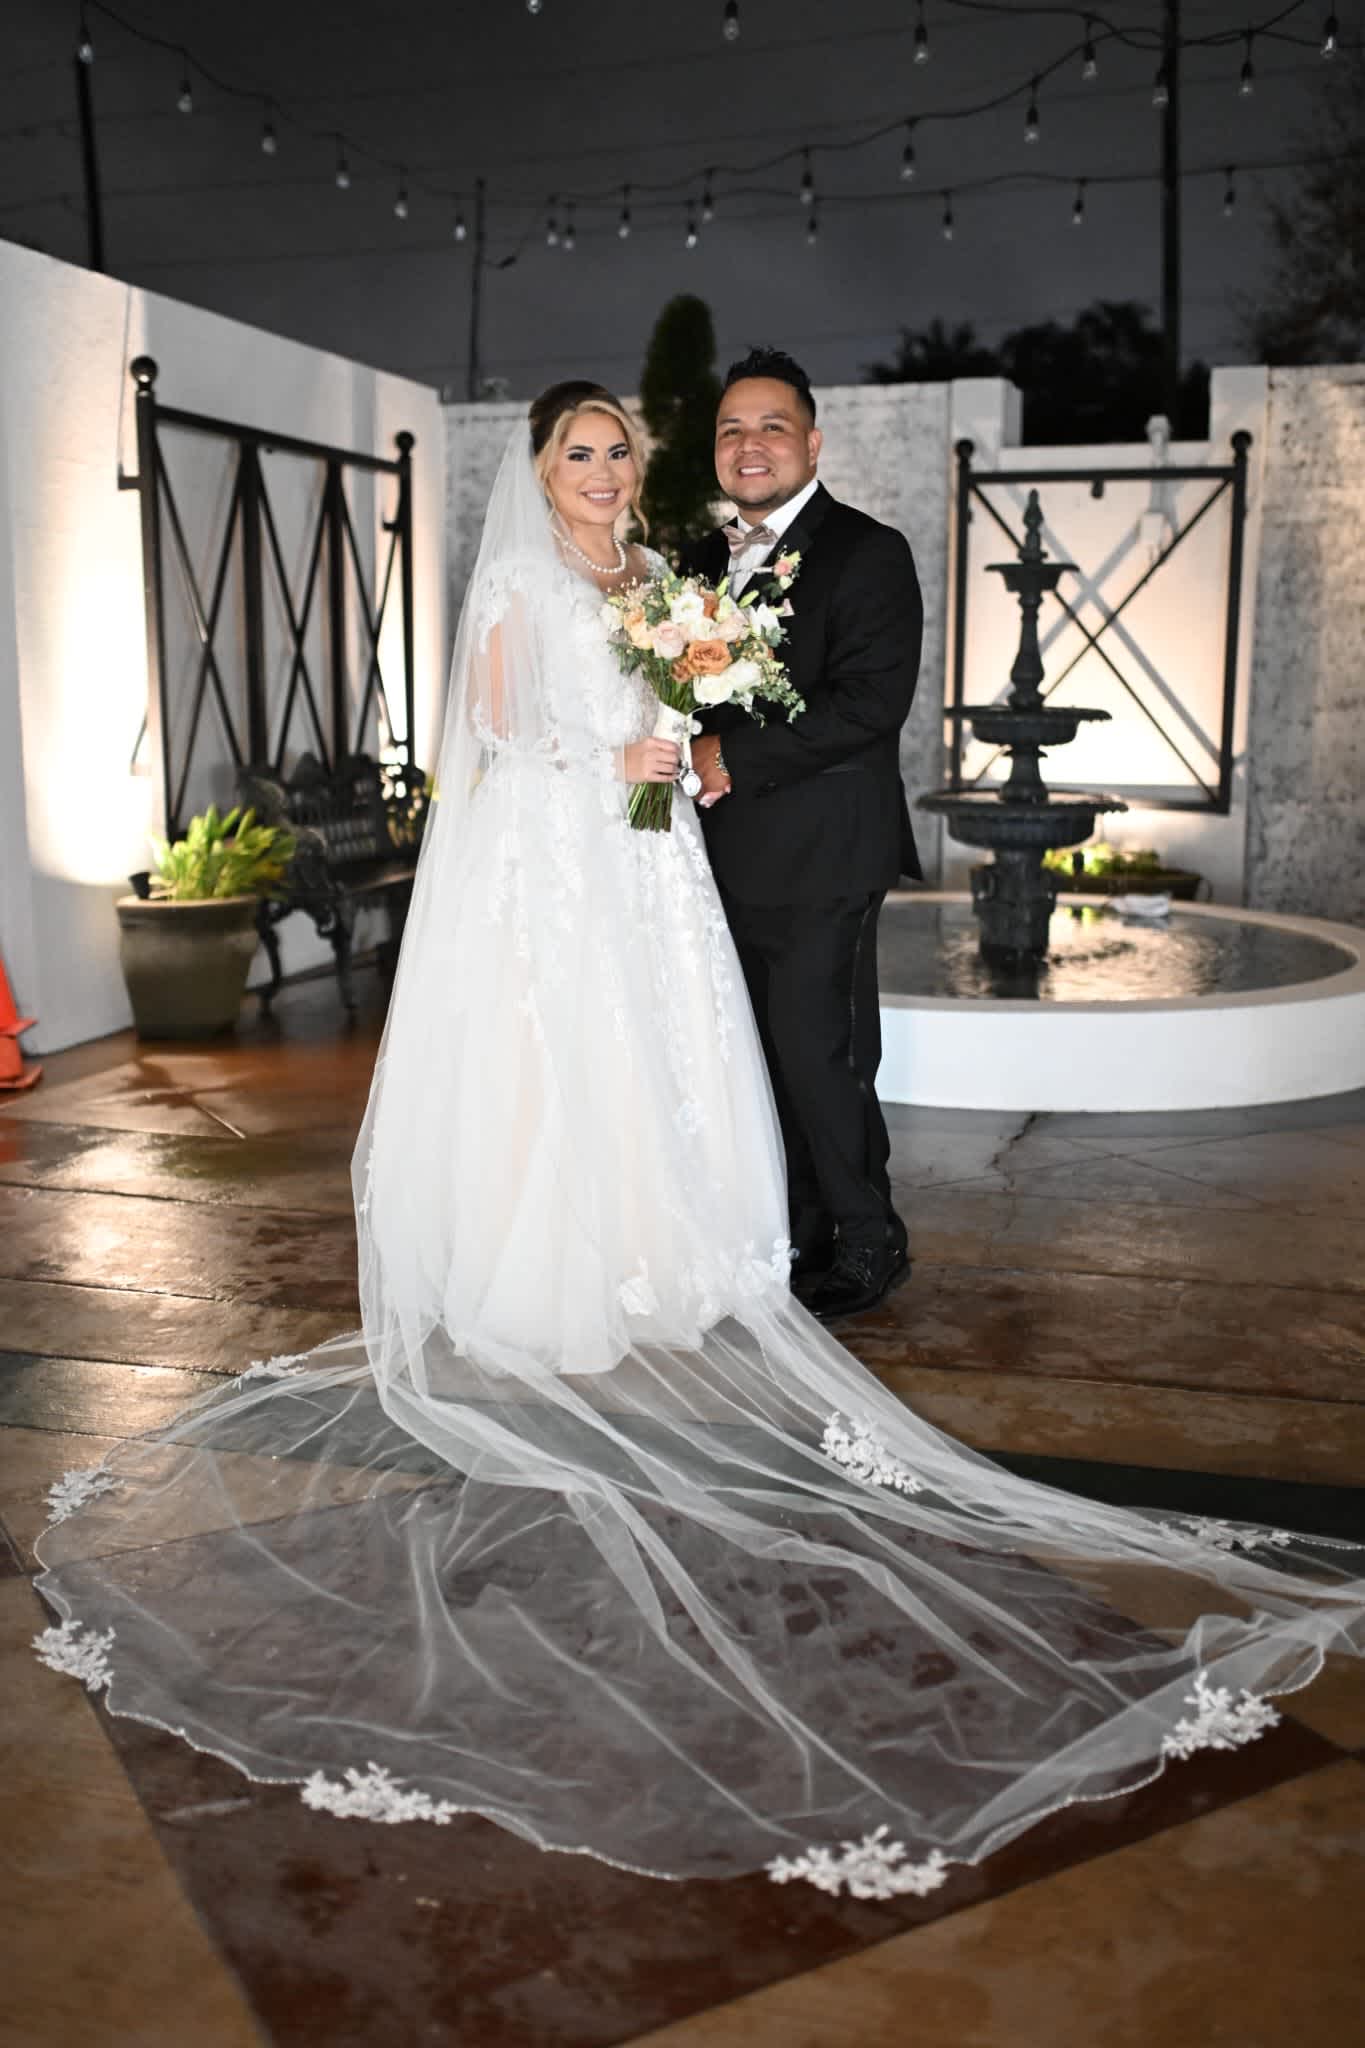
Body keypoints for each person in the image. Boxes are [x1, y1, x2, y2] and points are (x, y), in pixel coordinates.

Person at [34, 381, 1365, 1905]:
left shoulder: (675, 573)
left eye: (620, 451)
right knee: (590, 1068)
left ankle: (731, 1245)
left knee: (707, 1059)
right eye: (581, 453)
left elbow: (739, 706)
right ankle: (578, 1260)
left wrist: (678, 735)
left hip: (663, 866)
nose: (606, 471)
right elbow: (496, 744)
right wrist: (621, 762)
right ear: (543, 469)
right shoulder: (533, 582)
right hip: (577, 864)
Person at [684, 348, 923, 1321]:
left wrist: (728, 753)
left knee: (822, 1055)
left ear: (812, 443)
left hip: (824, 851)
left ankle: (870, 1241)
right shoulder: (697, 563)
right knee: (753, 1058)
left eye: (772, 426)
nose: (750, 445)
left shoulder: (868, 551)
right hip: (713, 856)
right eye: (732, 429)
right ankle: (798, 1231)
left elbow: (870, 704)